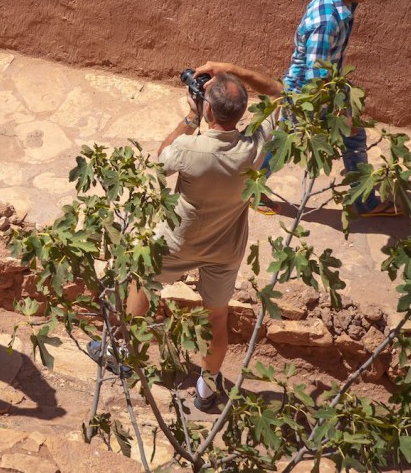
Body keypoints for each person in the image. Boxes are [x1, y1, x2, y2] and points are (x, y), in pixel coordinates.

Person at [87, 61, 282, 413]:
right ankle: (207, 392)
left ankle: (123, 355)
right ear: (241, 112)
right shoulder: (255, 148)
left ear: (208, 108)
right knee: (216, 318)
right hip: (226, 249)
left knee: (143, 283)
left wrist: (191, 118)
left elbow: (162, 157)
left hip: (178, 241)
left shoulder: (190, 150)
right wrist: (232, 69)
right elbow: (282, 94)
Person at [262, 0, 397, 216]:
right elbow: (316, 75)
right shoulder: (326, 23)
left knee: (292, 140)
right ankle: (363, 201)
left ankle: (362, 199)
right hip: (308, 93)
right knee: (289, 143)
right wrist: (335, 111)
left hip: (325, 85)